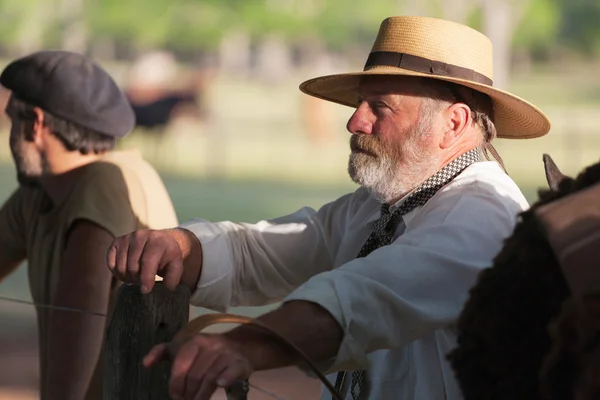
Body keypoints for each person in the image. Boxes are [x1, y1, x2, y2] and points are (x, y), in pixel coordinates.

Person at [107, 16, 551, 400]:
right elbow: (266, 251)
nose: (354, 121)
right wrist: (181, 246)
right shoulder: (381, 205)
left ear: (453, 123)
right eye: (360, 103)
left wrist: (244, 346)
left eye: (379, 107)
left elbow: (363, 299)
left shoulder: (484, 214)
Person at [0, 51, 178, 400]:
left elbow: (80, 306)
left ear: (35, 123)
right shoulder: (40, 194)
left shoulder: (107, 180)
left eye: (11, 121)